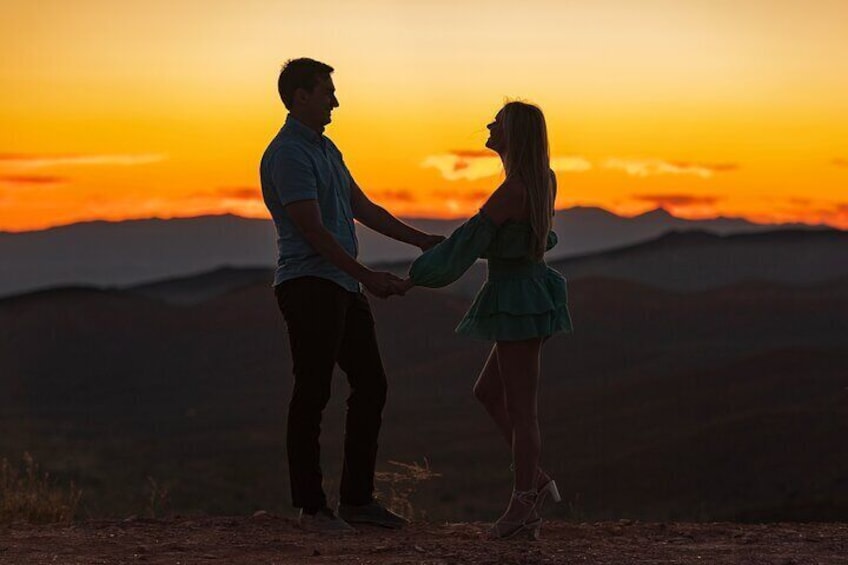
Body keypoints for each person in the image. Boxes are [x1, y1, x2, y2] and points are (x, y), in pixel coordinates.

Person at [260, 58, 444, 533]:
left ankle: (357, 501)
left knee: (371, 384)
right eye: (327, 91)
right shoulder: (288, 155)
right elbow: (313, 231)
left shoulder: (327, 150)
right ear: (300, 96)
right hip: (309, 286)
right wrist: (366, 275)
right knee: (313, 392)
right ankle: (312, 507)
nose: (335, 101)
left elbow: (362, 207)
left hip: (339, 284)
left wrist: (420, 240)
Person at [400, 101, 573, 540]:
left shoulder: (513, 190)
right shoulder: (539, 180)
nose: (489, 125)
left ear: (513, 134)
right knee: (487, 392)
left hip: (517, 298)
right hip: (526, 293)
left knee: (521, 407)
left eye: (498, 122)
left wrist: (413, 278)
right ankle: (532, 480)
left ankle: (523, 507)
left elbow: (465, 244)